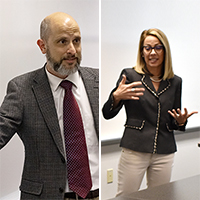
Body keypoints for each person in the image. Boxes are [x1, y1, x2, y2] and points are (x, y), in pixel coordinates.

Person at [0, 12, 99, 200]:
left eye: (76, 41)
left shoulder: (98, 82)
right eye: (62, 42)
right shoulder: (22, 90)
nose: (72, 50)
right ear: (43, 46)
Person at [102, 28, 197, 197]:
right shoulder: (130, 75)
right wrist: (116, 97)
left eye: (158, 47)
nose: (152, 52)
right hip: (135, 149)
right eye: (147, 48)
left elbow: (173, 120)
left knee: (160, 196)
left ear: (165, 51)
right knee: (126, 196)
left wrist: (181, 122)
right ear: (142, 52)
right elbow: (107, 113)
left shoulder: (175, 82)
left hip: (164, 151)